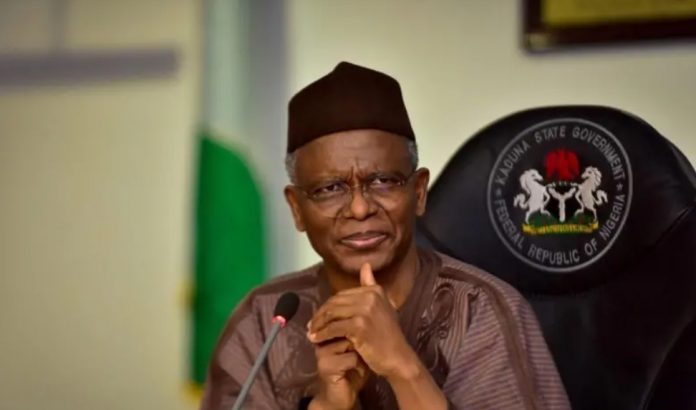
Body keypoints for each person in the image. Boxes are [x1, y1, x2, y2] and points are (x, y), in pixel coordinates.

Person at [200, 62, 570, 410]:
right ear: (297, 208)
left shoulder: (481, 311)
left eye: (383, 181)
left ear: (418, 192)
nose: (360, 208)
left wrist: (402, 366)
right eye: (329, 188)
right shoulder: (264, 320)